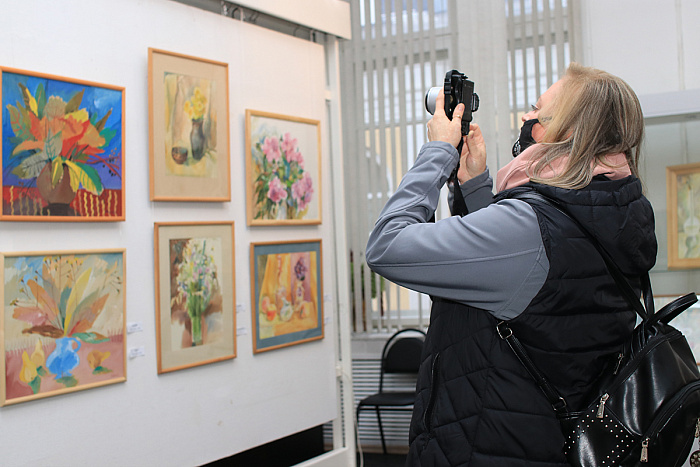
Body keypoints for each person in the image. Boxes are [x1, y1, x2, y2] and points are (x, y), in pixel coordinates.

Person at [365, 62, 657, 466]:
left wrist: (437, 153)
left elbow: (387, 245)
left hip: (486, 444)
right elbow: (530, 291)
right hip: (549, 436)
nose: (525, 116)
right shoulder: (621, 210)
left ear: (569, 131)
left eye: (537, 110)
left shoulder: (531, 225)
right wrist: (475, 186)